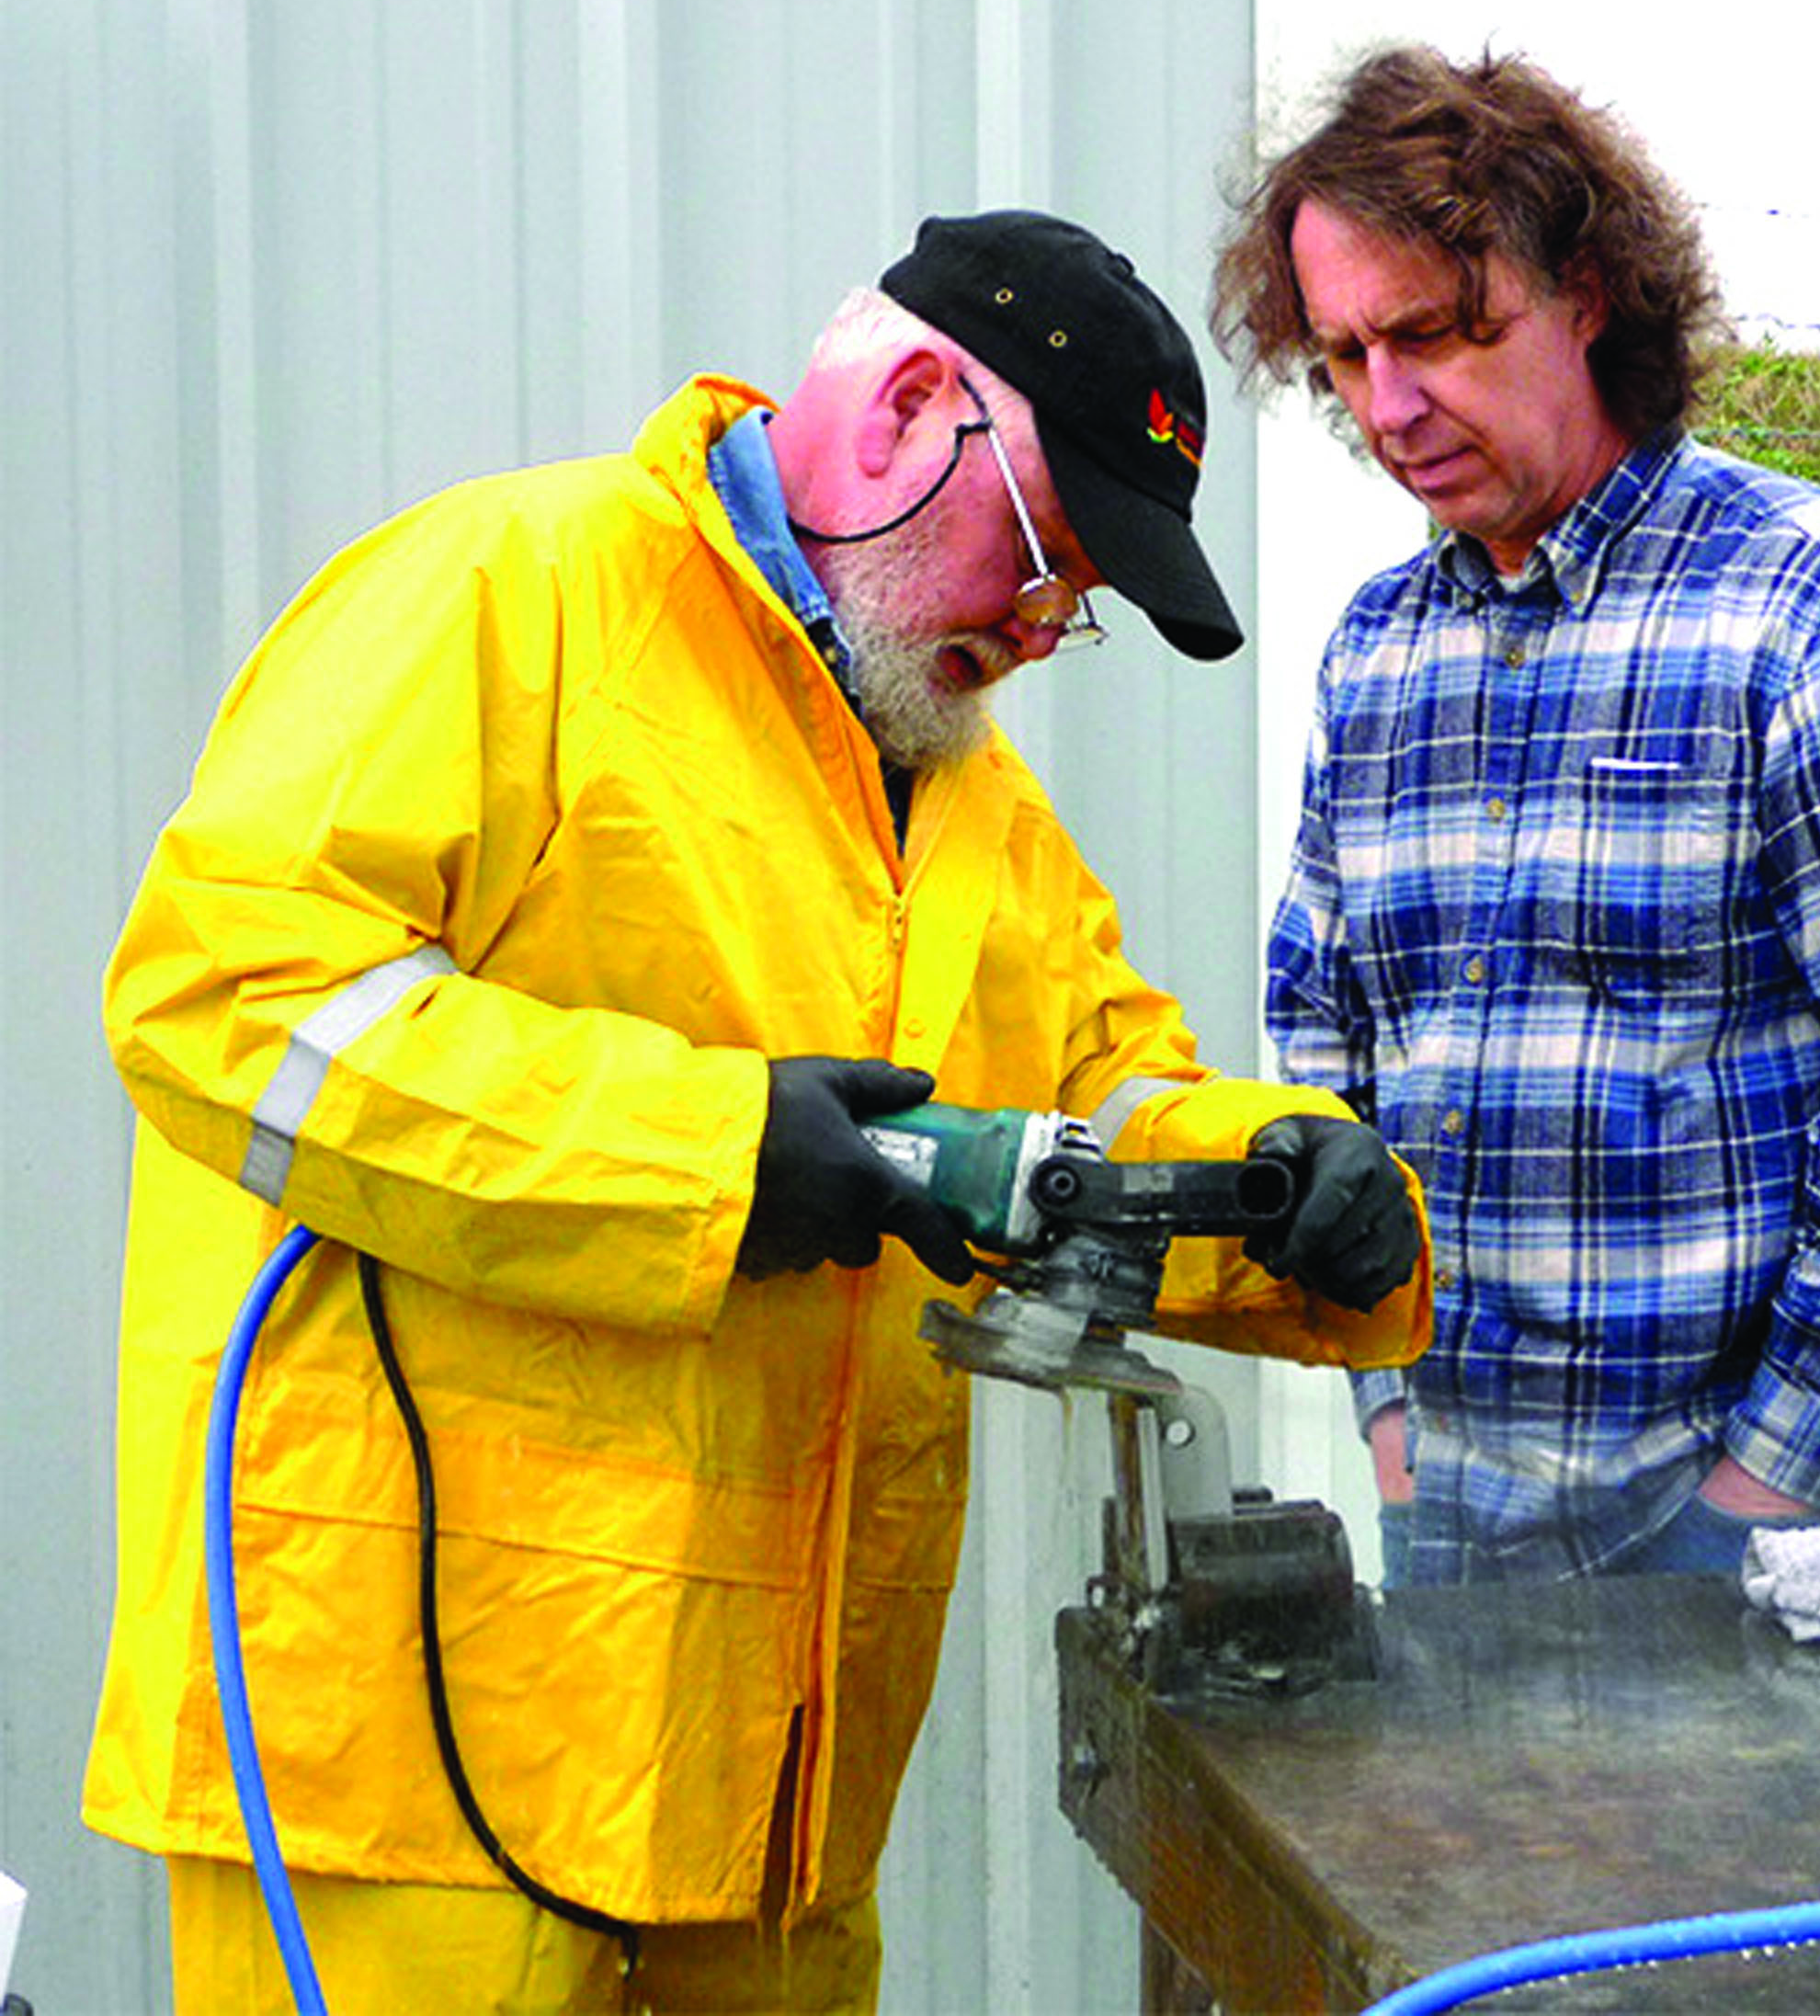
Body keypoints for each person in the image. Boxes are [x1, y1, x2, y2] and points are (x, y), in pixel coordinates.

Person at [85, 208, 1429, 2014]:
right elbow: (227, 1000)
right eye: (1046, 552)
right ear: (906, 412)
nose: (1044, 626)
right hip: (409, 1771)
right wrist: (713, 1158)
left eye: (1080, 601)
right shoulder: (508, 594)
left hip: (773, 1805)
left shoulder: (966, 800)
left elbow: (1103, 1096)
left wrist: (1286, 1186)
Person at [1211, 47, 1820, 1588]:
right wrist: (1392, 1419)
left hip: (1797, 1563)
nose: (1386, 406)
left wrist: (1754, 1502)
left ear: (1589, 290)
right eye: (1341, 354)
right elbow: (1326, 1054)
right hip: (1463, 1534)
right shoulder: (1381, 648)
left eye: (1432, 334)